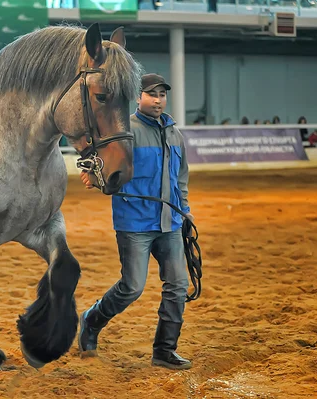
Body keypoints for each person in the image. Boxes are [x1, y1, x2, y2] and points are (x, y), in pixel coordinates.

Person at [78, 73, 194, 370]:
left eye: (162, 95)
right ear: (138, 97)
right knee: (132, 287)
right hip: (134, 222)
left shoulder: (174, 134)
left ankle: (164, 351)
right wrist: (93, 175)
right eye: (152, 94)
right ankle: (92, 320)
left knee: (178, 285)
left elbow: (181, 177)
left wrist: (185, 211)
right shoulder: (124, 130)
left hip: (169, 222)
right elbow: (103, 164)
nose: (158, 100)